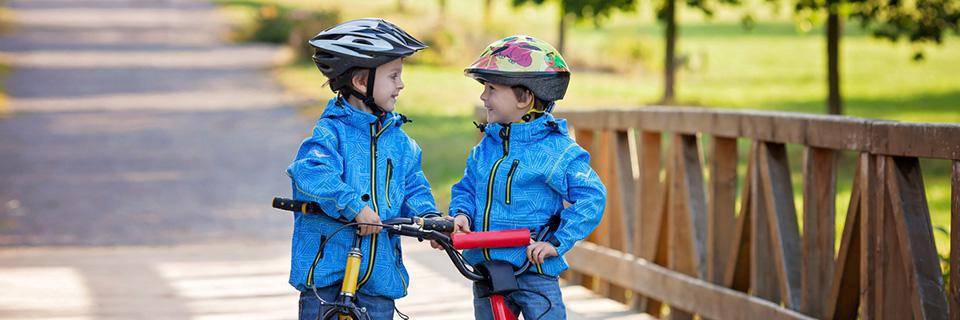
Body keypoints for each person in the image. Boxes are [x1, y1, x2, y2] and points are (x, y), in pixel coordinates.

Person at [446, 35, 607, 319]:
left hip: (533, 272)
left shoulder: (558, 151)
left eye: (492, 88)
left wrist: (557, 242)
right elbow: (467, 188)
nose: (483, 96)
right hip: (487, 272)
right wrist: (462, 214)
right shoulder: (487, 146)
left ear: (524, 97)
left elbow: (593, 197)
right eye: (484, 87)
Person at [286, 18, 437, 320]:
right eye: (393, 76)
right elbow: (310, 172)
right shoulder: (331, 133)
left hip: (378, 280)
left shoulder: (401, 143)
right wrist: (354, 206)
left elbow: (414, 186)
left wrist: (430, 218)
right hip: (329, 280)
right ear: (359, 81)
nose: (401, 84)